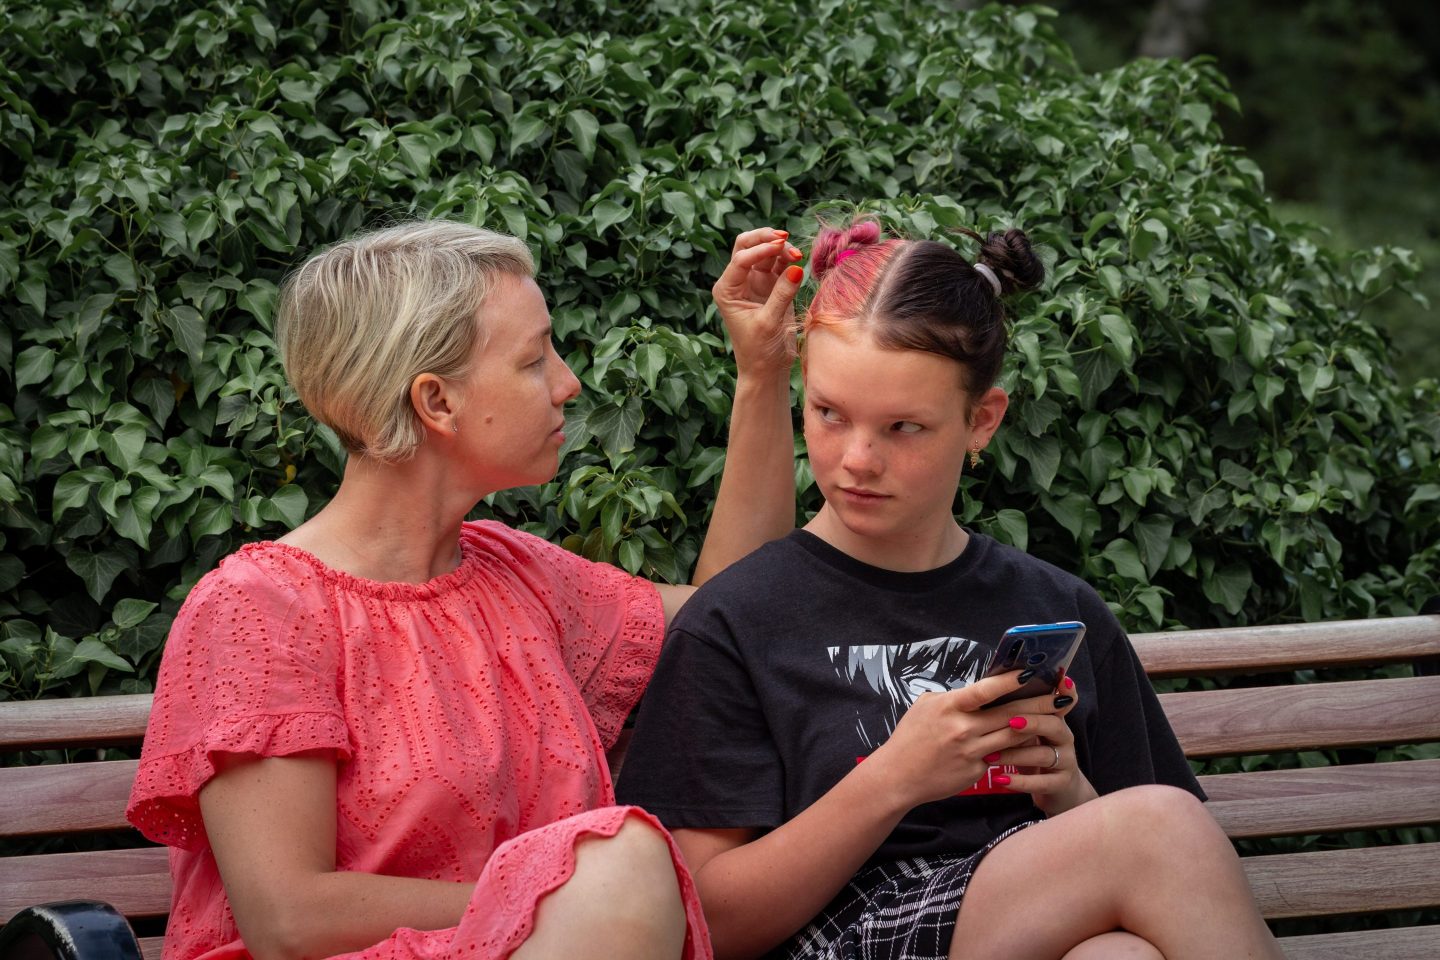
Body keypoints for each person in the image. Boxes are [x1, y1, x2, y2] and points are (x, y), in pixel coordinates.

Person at [125, 219, 808, 960]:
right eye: (533, 358)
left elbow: (737, 603)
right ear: (436, 402)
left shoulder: (517, 575)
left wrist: (763, 370)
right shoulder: (262, 609)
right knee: (627, 859)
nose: (568, 383)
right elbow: (290, 918)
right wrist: (574, 897)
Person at [615, 219, 1285, 960]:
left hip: (1010, 919)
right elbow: (699, 921)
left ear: (982, 421)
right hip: (835, 934)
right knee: (1155, 829)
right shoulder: (736, 620)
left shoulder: (1056, 607)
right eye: (830, 414)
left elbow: (1159, 863)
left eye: (904, 427)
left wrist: (1066, 794)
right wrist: (893, 780)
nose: (857, 460)